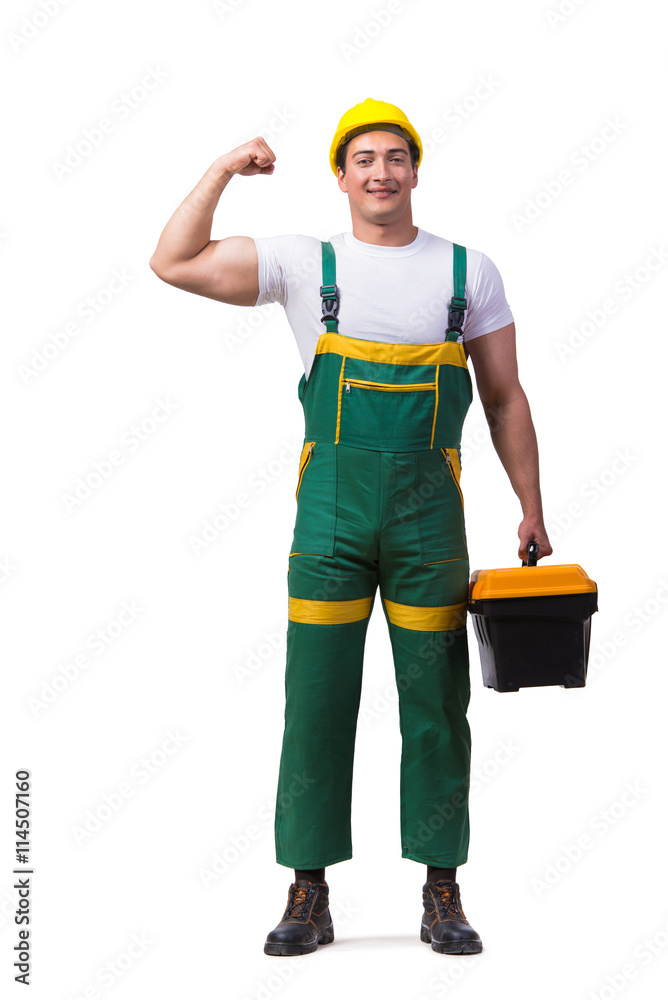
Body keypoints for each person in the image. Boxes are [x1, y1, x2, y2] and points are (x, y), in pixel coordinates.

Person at [149, 98, 553, 958]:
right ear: (340, 175)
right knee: (317, 700)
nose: (381, 172)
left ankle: (442, 889)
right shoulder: (306, 263)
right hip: (330, 522)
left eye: (396, 157)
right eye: (363, 158)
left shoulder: (468, 272)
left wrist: (532, 504)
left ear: (416, 170)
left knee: (437, 705)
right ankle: (308, 889)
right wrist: (222, 169)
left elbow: (504, 395)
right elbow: (172, 261)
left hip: (430, 526)